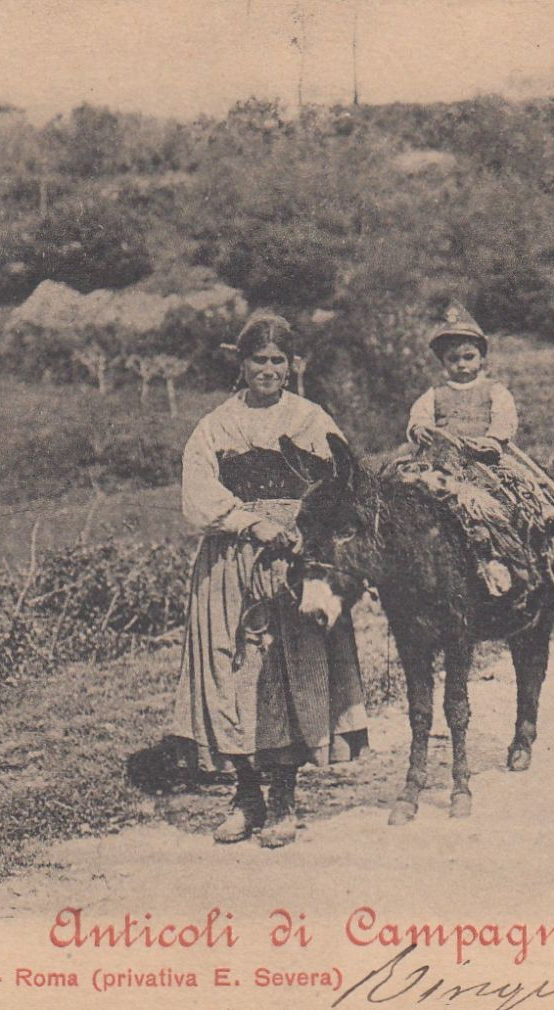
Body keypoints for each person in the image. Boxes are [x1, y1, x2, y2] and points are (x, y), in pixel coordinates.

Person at [167, 311, 368, 848]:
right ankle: (245, 795)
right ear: (243, 362)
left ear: (292, 365)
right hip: (231, 562)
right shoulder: (217, 426)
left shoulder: (311, 420)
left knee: (286, 672)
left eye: (279, 360)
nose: (269, 369)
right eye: (260, 359)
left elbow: (343, 485)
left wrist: (311, 534)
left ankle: (283, 799)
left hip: (296, 564)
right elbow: (198, 496)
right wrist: (250, 522)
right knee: (232, 669)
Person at [406, 302, 554, 592]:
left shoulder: (494, 391)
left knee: (524, 485)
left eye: (469, 357)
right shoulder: (434, 395)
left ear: (482, 359)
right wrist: (418, 429)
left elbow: (505, 418)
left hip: (487, 460)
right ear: (443, 364)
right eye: (453, 359)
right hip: (445, 465)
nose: (462, 365)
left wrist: (492, 440)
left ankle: (551, 530)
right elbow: (419, 416)